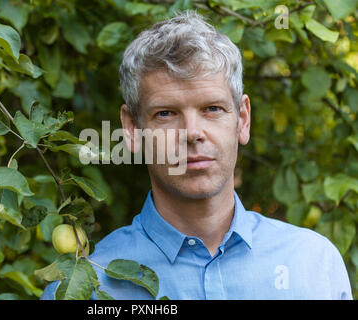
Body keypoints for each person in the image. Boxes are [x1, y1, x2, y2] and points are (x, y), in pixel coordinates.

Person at [41, 11, 352, 300]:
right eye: (165, 113)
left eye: (212, 109)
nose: (192, 132)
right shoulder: (86, 285)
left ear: (242, 120)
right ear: (132, 129)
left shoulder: (314, 265)